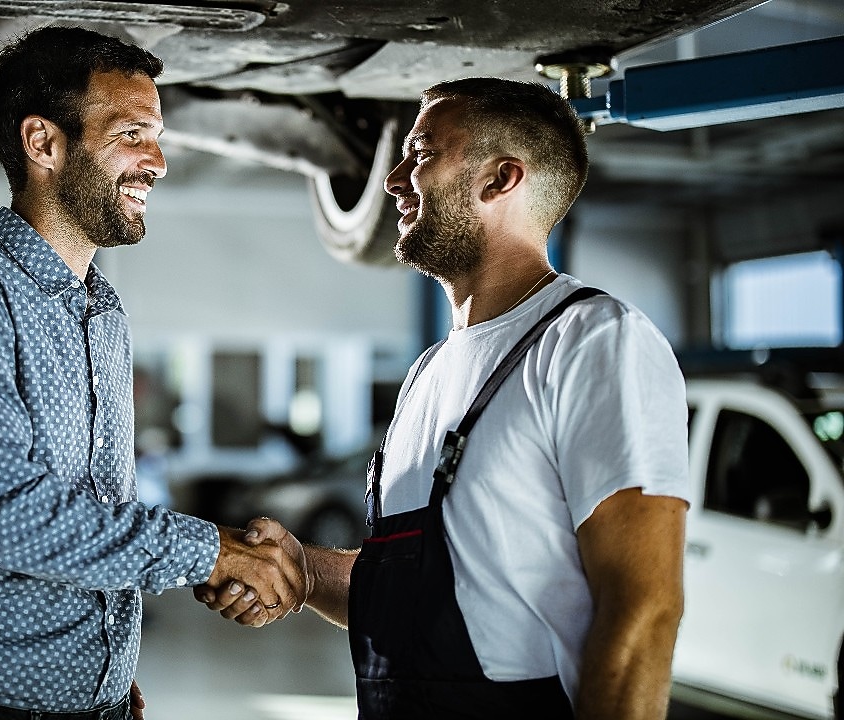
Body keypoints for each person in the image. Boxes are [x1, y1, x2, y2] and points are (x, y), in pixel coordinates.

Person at [200, 77, 689, 720]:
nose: (392, 180)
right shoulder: (429, 371)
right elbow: (425, 589)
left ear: (500, 179)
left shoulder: (592, 340)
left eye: (422, 153)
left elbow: (643, 607)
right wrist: (306, 571)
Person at [0, 26, 307, 720]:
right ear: (43, 143)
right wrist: (207, 552)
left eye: (156, 137)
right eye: (132, 134)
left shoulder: (103, 312)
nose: (157, 162)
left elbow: (92, 510)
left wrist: (95, 677)